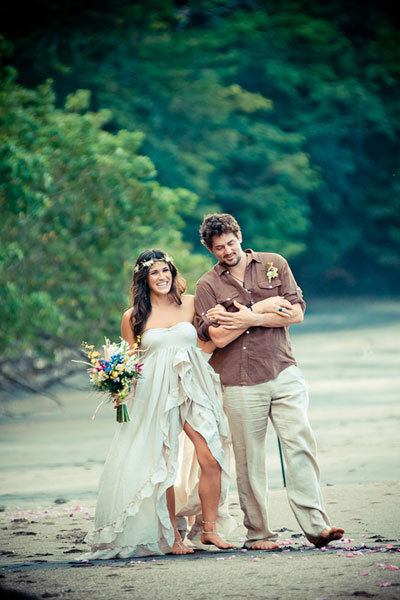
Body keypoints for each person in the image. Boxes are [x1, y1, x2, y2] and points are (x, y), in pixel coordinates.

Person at [194, 213, 344, 550]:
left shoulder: (274, 263)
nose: (227, 251)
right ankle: (259, 534)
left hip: (283, 369)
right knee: (249, 460)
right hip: (239, 381)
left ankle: (317, 527)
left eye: (231, 243)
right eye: (219, 248)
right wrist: (262, 310)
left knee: (300, 445)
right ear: (210, 249)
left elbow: (296, 312)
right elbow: (215, 338)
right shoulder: (207, 285)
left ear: (239, 236)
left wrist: (246, 316)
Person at [82, 249, 235, 559]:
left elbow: (206, 340)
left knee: (211, 455)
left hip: (193, 384)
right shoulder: (133, 317)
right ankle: (172, 535)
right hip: (154, 393)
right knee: (162, 464)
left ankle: (210, 529)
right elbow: (131, 360)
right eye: (155, 273)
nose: (162, 277)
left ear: (173, 273)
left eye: (166, 271)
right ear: (144, 278)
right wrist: (120, 389)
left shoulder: (191, 303)